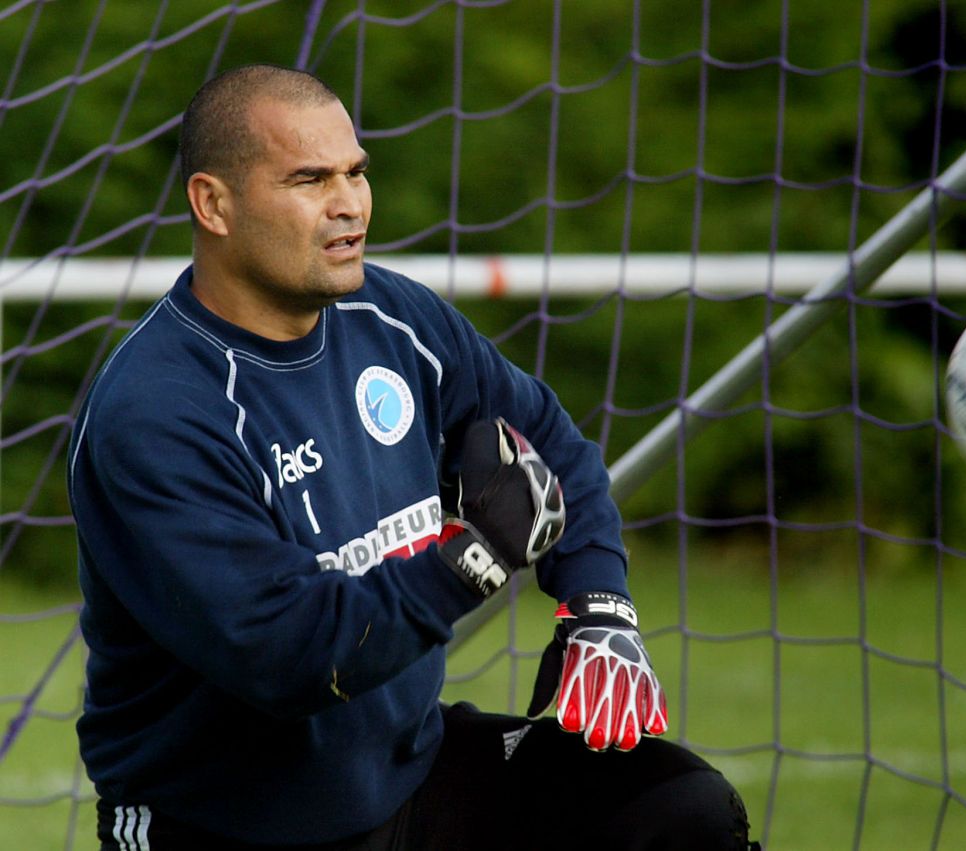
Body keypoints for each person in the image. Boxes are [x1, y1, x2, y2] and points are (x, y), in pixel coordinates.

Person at [68, 63, 758, 850]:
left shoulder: (392, 319)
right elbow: (289, 656)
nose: (349, 204)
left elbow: (550, 442)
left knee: (677, 808)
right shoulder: (156, 409)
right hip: (225, 825)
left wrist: (600, 606)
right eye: (309, 178)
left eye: (357, 172)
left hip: (408, 777)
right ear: (212, 203)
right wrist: (474, 559)